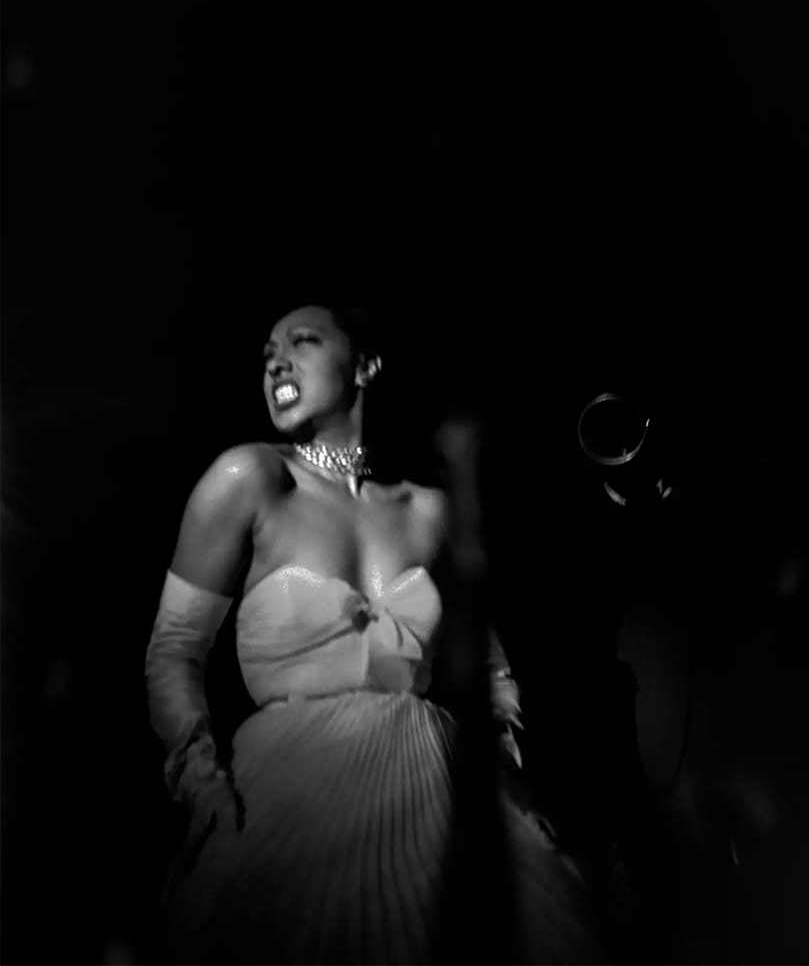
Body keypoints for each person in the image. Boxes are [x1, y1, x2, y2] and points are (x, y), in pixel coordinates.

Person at [144, 304, 600, 965]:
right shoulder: (249, 477)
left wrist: (502, 772)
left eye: (302, 341)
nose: (276, 360)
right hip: (291, 794)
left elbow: (492, 671)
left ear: (364, 366)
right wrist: (200, 779)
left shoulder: (427, 509)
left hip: (435, 783)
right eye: (268, 351)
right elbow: (175, 651)